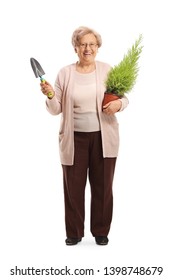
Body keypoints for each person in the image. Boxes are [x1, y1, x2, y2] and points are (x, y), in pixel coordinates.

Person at [40, 26, 129, 246]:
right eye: (82, 44)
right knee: (73, 187)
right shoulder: (65, 73)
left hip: (103, 139)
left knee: (103, 187)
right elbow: (55, 109)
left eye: (92, 44)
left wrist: (119, 104)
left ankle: (100, 231)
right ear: (75, 48)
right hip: (74, 140)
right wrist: (50, 94)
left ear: (98, 47)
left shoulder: (108, 70)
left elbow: (123, 98)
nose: (87, 48)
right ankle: (74, 232)